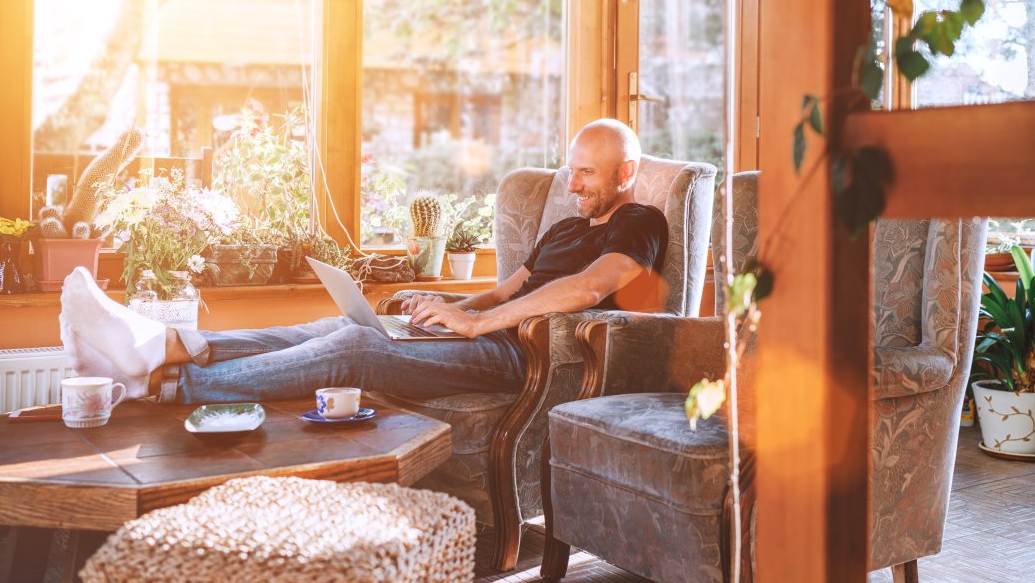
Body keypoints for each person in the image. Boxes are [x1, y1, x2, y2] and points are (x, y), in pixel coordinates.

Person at [59, 119, 669, 405]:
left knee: (359, 353)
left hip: (525, 355)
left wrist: (479, 325)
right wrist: (449, 307)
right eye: (573, 168)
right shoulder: (565, 223)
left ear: (627, 172)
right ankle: (162, 343)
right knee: (337, 328)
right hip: (489, 333)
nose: (575, 182)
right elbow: (507, 286)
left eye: (588, 172)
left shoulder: (641, 223)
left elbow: (590, 289)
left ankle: (161, 386)